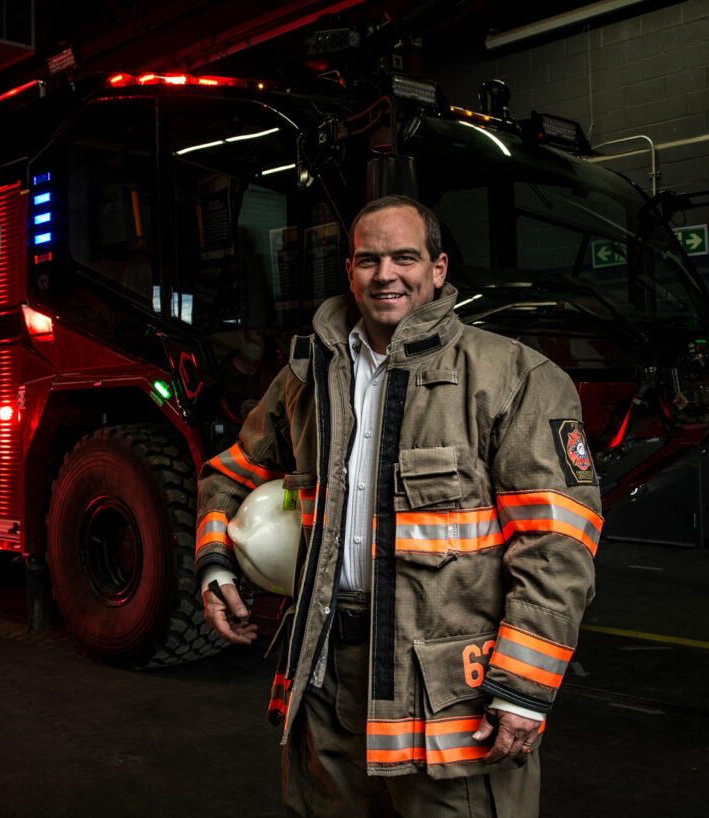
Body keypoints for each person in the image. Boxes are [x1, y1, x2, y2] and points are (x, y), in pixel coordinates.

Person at [195, 195, 602, 817]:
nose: (386, 275)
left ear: (437, 270)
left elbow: (556, 545)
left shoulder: (511, 375)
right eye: (369, 260)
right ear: (350, 271)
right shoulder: (307, 378)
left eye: (405, 258)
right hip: (326, 679)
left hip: (446, 701)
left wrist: (524, 687)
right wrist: (218, 565)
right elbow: (228, 474)